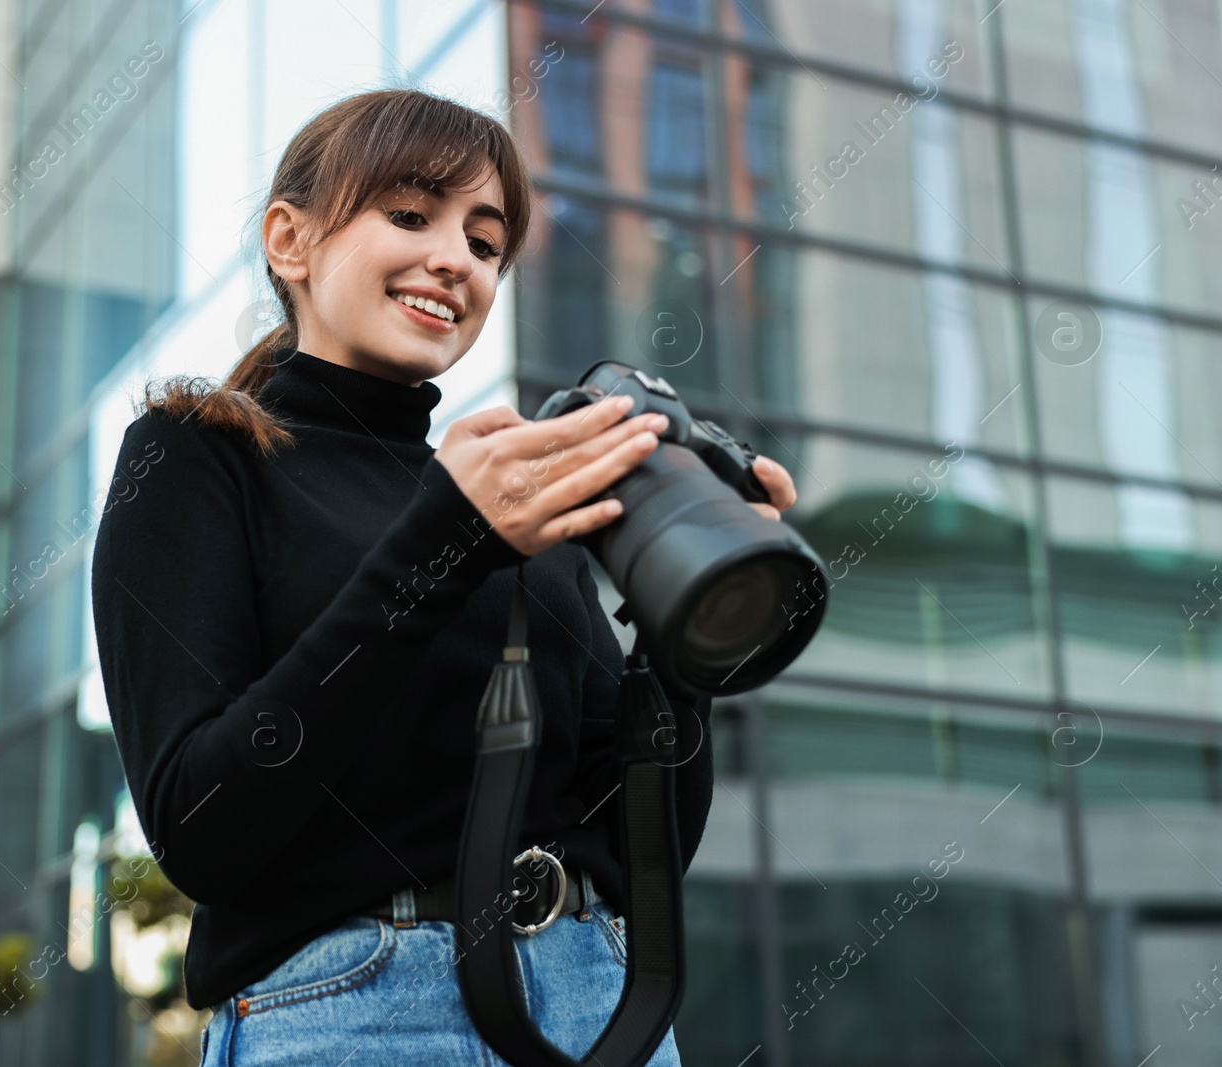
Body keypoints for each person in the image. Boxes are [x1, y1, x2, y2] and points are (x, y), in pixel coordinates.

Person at [89, 87, 797, 1067]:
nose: (453, 258)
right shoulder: (197, 455)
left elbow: (647, 849)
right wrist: (449, 540)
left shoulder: (520, 513)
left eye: (484, 239)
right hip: (354, 1007)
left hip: (599, 997)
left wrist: (690, 640)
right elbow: (201, 826)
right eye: (410, 215)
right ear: (289, 239)